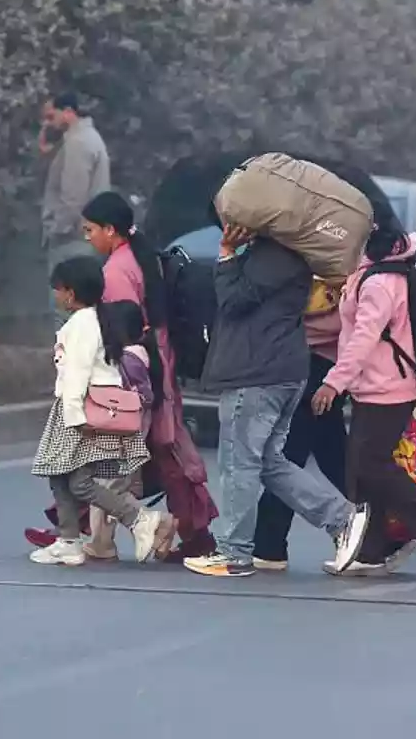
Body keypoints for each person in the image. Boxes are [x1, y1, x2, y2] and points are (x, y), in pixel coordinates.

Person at [24, 192, 216, 560]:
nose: (87, 237)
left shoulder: (114, 272)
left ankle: (113, 532)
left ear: (110, 231)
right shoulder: (138, 259)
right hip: (156, 365)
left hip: (133, 377)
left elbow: (111, 335)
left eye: (90, 229)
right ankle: (91, 534)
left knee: (112, 461)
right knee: (156, 455)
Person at [182, 220, 368, 578]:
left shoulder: (272, 258)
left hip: (257, 373)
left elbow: (234, 301)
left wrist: (225, 255)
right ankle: (342, 518)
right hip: (282, 370)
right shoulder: (288, 256)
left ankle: (234, 554)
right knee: (270, 463)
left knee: (239, 464)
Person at [313, 221, 416, 576]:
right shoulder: (379, 272)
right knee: (360, 471)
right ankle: (371, 551)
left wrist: (333, 383)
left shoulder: (380, 282)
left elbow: (363, 338)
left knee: (370, 465)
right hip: (377, 385)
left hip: (388, 388)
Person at [31, 257, 171, 566]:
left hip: (82, 411)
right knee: (59, 474)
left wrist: (75, 418)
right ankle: (68, 540)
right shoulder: (94, 319)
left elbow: (78, 373)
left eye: (57, 289)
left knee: (79, 481)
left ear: (70, 292)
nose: (55, 295)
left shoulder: (83, 324)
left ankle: (140, 519)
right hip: (78, 408)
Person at [253, 276, 350, 571]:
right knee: (335, 456)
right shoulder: (336, 258)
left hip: (316, 365)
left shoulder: (331, 262)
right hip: (324, 364)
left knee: (287, 457)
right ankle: (383, 529)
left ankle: (269, 547)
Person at [40, 92, 110, 318]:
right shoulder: (87, 138)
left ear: (68, 112)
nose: (47, 123)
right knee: (84, 313)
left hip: (72, 240)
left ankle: (69, 355)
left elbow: (73, 198)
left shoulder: (77, 143)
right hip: (86, 238)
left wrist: (56, 230)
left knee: (66, 312)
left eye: (51, 117)